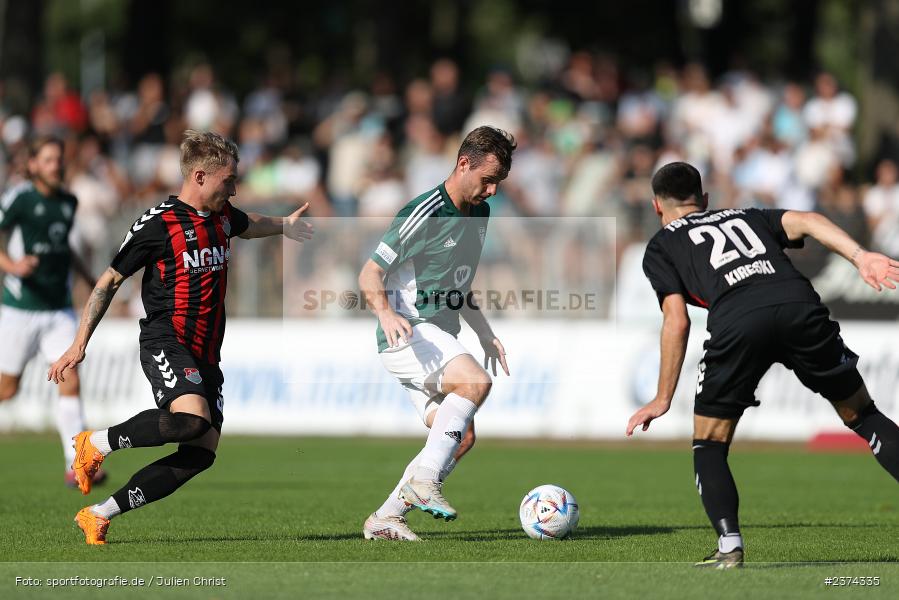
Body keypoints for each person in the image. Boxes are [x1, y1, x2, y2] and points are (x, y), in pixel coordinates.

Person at [626, 162, 899, 568]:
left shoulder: (661, 246)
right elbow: (807, 220)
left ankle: (730, 546)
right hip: (798, 307)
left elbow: (677, 320)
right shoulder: (745, 215)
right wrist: (860, 257)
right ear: (704, 201)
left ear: (656, 207)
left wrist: (662, 397)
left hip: (738, 324)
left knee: (710, 443)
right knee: (864, 415)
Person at [47, 130, 313, 545]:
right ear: (201, 177)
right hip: (165, 338)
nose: (235, 188)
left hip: (207, 351)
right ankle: (93, 442)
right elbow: (108, 282)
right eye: (229, 181)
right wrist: (80, 343)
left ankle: (99, 513)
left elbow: (249, 224)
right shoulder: (157, 225)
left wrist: (283, 227)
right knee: (191, 420)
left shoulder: (224, 215)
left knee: (200, 454)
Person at [358, 126, 515, 540]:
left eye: (498, 182)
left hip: (436, 336)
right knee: (476, 383)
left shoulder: (480, 213)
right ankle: (425, 481)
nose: (493, 190)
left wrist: (483, 333)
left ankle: (385, 518)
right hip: (408, 332)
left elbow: (458, 286)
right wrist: (386, 314)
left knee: (459, 438)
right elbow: (369, 272)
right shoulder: (425, 210)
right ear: (464, 164)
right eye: (488, 179)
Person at [0, 135, 102, 488]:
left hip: (58, 309)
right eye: (47, 160)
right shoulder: (19, 199)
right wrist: (11, 266)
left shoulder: (68, 202)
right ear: (32, 166)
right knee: (7, 389)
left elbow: (63, 249)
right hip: (20, 309)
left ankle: (78, 464)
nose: (55, 165)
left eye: (58, 159)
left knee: (70, 375)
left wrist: (91, 280)